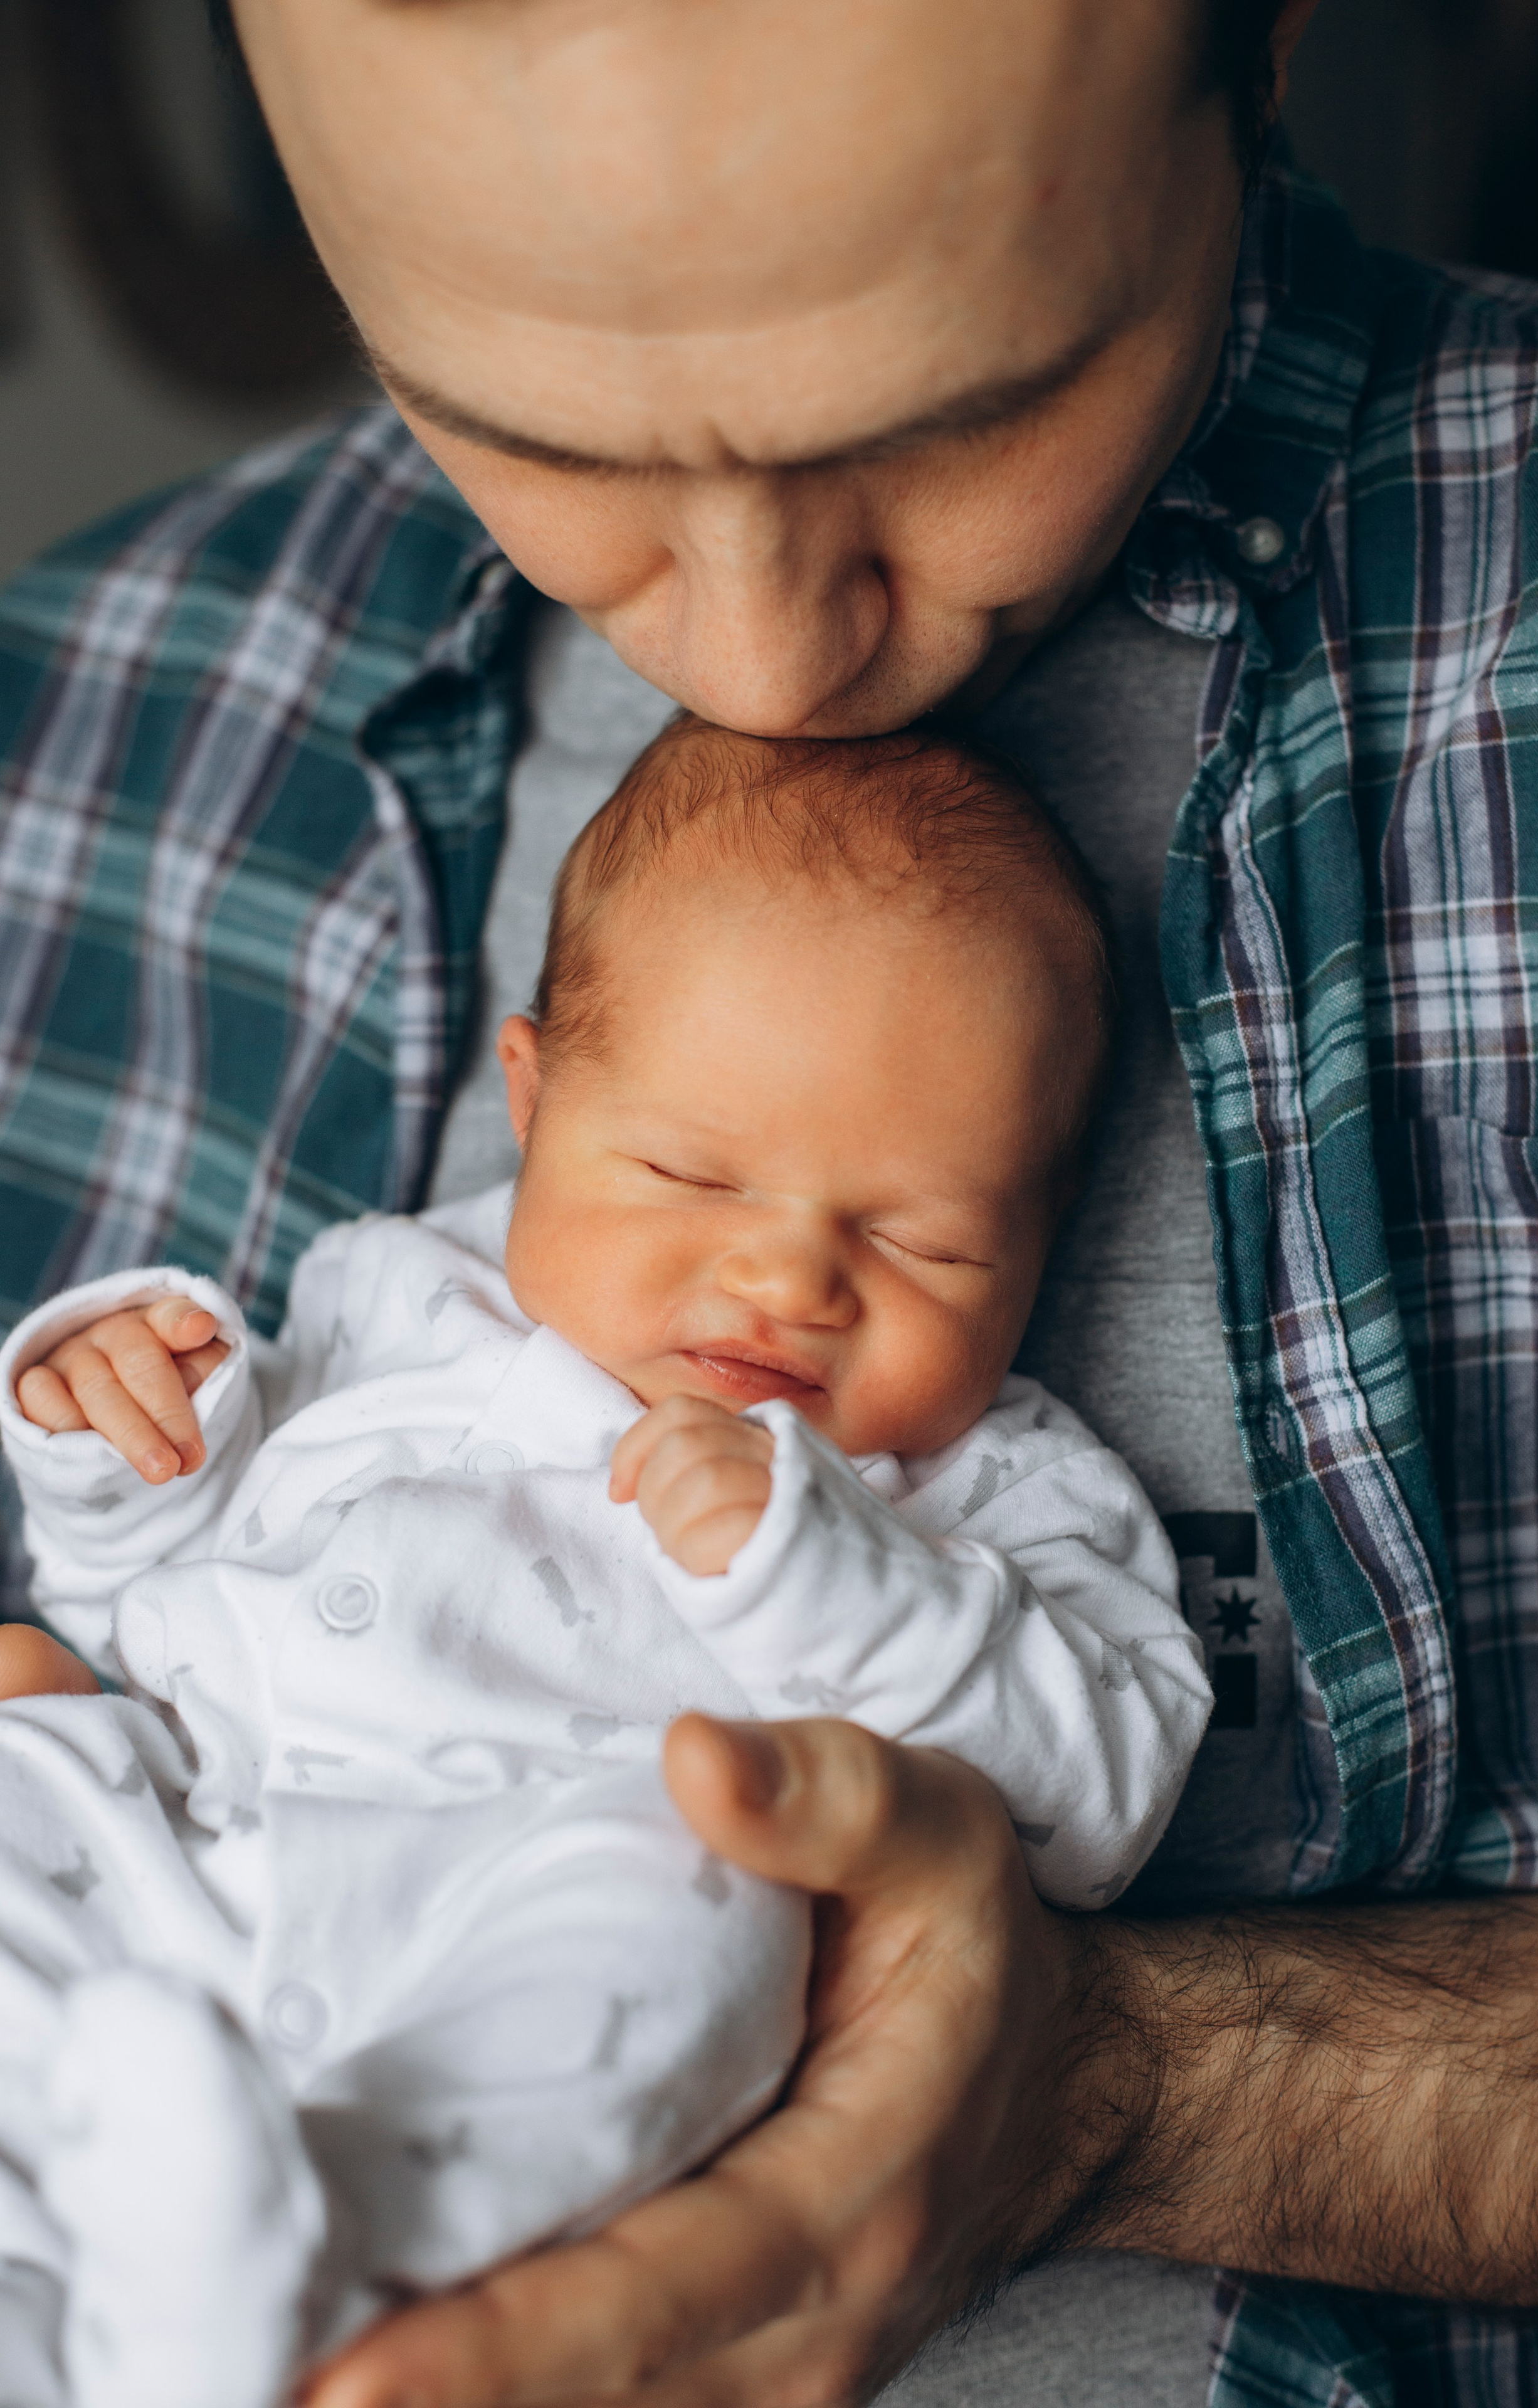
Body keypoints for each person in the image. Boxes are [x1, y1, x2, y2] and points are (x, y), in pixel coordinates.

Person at [0, 0, 1538, 2402]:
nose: (758, 650)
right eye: (535, 438)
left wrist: (1130, 2078)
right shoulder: (76, 722)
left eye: (962, 420)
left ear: (1262, 43)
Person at [0, 721, 1209, 2407]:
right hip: (198, 1842)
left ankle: (318, 2250)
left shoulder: (996, 1482)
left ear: (1040, 1232)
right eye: (687, 1174)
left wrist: (825, 1566)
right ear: (534, 1099)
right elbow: (133, 1592)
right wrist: (113, 1441)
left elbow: (1098, 1803)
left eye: (918, 1234)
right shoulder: (387, 1297)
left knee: (700, 1908)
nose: (789, 1276)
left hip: (536, 1921)